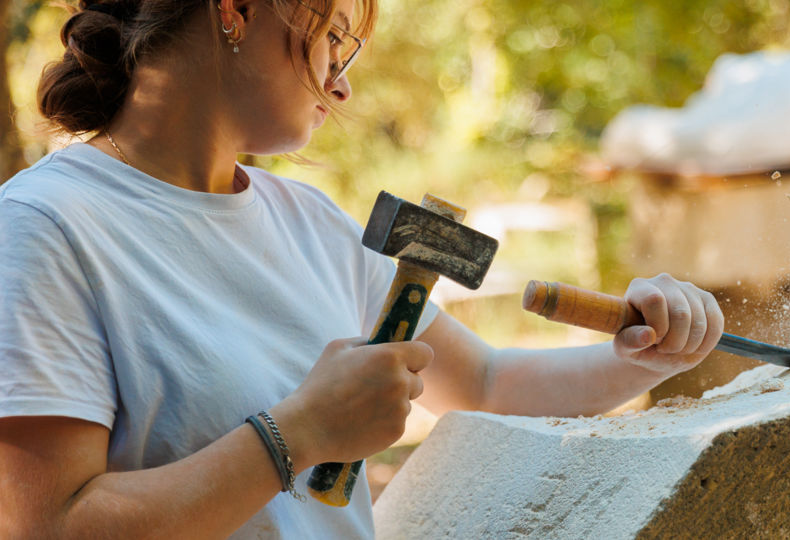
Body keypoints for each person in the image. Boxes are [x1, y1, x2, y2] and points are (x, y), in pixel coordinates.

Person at [0, 0, 724, 537]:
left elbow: (490, 382)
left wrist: (643, 358)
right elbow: (50, 526)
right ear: (237, 12)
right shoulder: (46, 227)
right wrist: (298, 434)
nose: (341, 88)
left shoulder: (312, 222)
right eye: (335, 41)